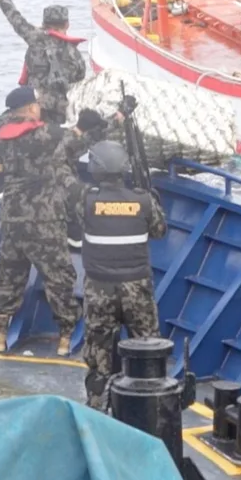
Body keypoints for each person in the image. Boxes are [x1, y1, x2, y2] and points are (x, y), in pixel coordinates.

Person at [0, 85, 86, 356]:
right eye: (38, 103)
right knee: (59, 277)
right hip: (45, 220)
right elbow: (78, 142)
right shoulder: (48, 135)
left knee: (9, 275)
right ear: (31, 108)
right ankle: (65, 338)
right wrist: (109, 122)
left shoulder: (1, 134)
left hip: (12, 218)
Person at [75, 139, 167, 412]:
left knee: (98, 348)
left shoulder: (86, 199)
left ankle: (96, 404)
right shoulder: (143, 200)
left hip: (99, 287)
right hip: (136, 287)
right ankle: (149, 405)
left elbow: (79, 219)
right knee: (146, 344)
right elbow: (159, 231)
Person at [0, 0, 87, 125]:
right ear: (67, 25)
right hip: (61, 114)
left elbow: (12, 13)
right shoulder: (74, 54)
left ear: (44, 23)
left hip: (32, 108)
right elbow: (79, 81)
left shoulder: (34, 38)